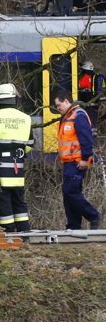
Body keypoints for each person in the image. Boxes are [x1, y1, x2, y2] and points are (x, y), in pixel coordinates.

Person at [0, 84, 33, 232]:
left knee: (4, 204)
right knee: (19, 203)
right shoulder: (25, 118)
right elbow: (29, 145)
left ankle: (8, 234)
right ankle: (24, 233)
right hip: (18, 170)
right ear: (14, 98)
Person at [53, 90, 101, 230]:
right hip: (69, 162)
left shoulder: (78, 116)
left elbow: (86, 139)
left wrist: (85, 159)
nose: (58, 109)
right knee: (68, 195)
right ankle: (74, 225)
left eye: (58, 105)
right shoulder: (69, 116)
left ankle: (93, 215)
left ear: (67, 101)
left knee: (70, 192)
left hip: (77, 162)